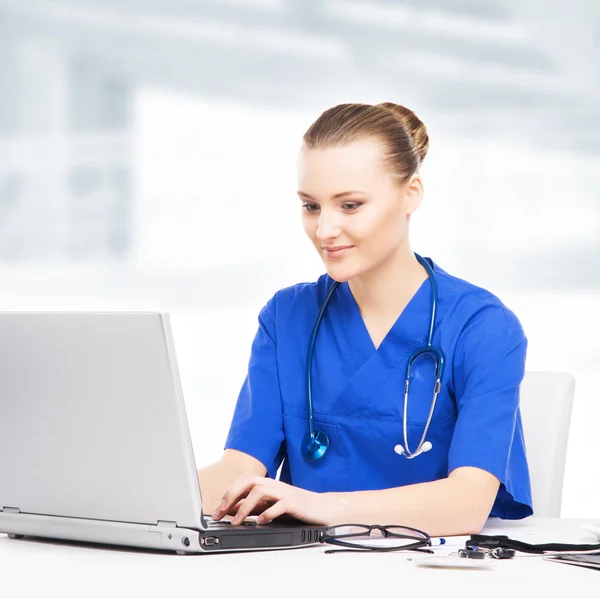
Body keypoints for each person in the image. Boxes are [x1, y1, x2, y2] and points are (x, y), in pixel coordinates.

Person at [197, 102, 533, 537]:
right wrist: (130, 501)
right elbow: (240, 467)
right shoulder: (286, 317)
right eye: (311, 206)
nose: (324, 230)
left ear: (411, 193)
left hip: (430, 573)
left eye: (350, 206)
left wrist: (316, 505)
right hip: (304, 568)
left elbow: (467, 502)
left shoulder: (483, 327)